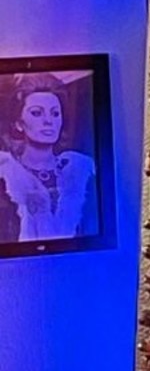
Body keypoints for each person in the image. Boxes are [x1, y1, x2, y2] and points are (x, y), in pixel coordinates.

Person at [0, 73, 98, 243]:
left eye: (55, 113)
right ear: (18, 123)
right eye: (37, 113)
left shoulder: (83, 172)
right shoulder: (5, 175)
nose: (48, 121)